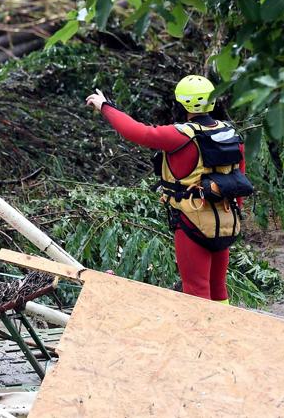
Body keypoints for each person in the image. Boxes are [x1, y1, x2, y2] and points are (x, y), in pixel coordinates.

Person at [85, 75, 253, 303]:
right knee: (218, 290)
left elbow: (137, 132)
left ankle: (199, 337)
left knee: (196, 292)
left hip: (191, 223)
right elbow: (238, 180)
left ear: (181, 102)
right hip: (225, 222)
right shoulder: (231, 134)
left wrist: (105, 106)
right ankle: (224, 335)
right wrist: (233, 217)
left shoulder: (179, 136)